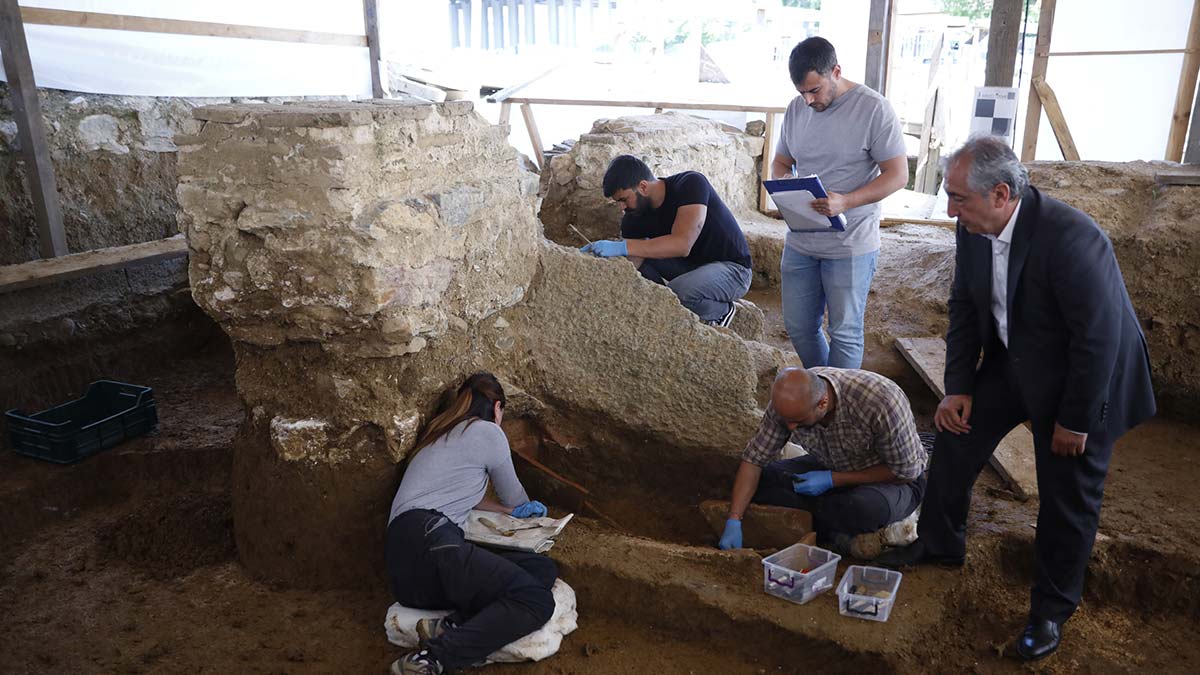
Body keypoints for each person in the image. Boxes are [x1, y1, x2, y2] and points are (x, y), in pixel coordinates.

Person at [875, 137, 1156, 661]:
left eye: (959, 198)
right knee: (955, 441)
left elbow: (1098, 340)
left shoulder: (1071, 237)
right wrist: (958, 386)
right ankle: (940, 542)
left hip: (1083, 379)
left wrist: (1075, 421)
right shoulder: (972, 228)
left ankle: (1051, 610)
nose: (951, 209)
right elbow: (963, 304)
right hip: (1017, 359)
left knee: (1066, 494)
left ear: (1001, 194)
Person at [386, 373, 558, 675]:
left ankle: (447, 626)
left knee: (540, 569)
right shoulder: (487, 432)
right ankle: (432, 658)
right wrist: (522, 511)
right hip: (431, 540)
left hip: (410, 569)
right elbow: (516, 496)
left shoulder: (441, 433)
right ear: (497, 408)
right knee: (536, 601)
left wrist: (505, 510)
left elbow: (460, 494)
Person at [771, 37, 907, 368]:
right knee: (800, 327)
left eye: (814, 90)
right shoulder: (796, 108)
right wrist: (787, 191)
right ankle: (822, 394)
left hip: (851, 243)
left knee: (844, 331)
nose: (808, 99)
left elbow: (898, 174)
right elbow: (780, 163)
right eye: (802, 92)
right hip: (802, 240)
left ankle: (841, 406)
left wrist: (846, 201)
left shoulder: (874, 109)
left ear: (836, 71)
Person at [718, 366, 927, 554]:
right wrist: (734, 518)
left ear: (822, 403)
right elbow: (754, 460)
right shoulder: (787, 402)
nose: (790, 428)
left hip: (891, 480)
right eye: (786, 421)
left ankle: (870, 528)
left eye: (798, 422)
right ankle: (837, 529)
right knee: (763, 479)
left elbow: (905, 471)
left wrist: (833, 479)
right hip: (831, 465)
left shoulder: (881, 401)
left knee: (862, 508)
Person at [581, 155, 753, 327]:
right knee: (644, 265)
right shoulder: (633, 217)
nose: (621, 207)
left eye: (623, 200)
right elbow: (632, 263)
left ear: (643, 186)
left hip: (733, 270)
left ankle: (720, 311)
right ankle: (665, 308)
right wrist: (599, 269)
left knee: (678, 293)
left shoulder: (690, 184)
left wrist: (623, 246)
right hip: (690, 267)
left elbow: (682, 244)